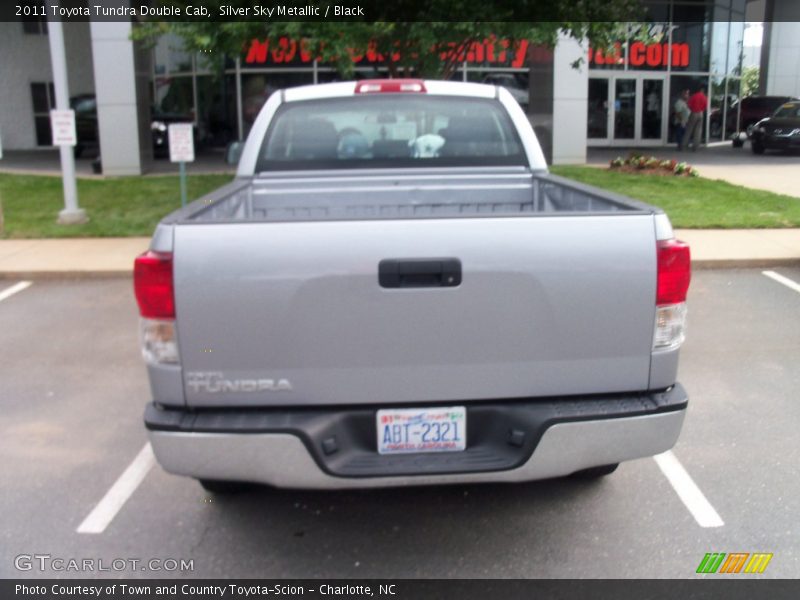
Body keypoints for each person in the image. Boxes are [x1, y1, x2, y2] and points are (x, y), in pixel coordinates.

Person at [684, 86, 708, 151]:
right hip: (700, 113)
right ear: (702, 90)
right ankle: (695, 147)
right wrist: (701, 110)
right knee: (698, 131)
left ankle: (684, 145)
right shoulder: (704, 97)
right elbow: (705, 106)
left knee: (689, 130)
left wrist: (692, 110)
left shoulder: (694, 96)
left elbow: (689, 104)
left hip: (694, 112)